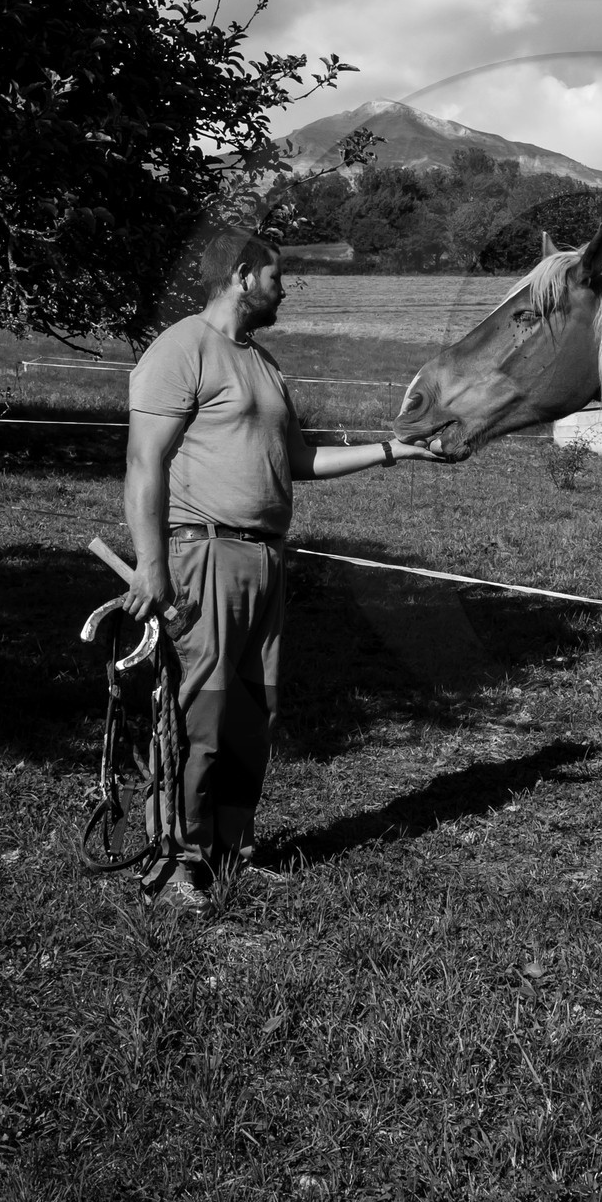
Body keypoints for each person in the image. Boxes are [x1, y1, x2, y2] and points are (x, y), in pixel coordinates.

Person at [121, 225, 443, 909]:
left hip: (265, 560)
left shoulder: (263, 365)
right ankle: (170, 861)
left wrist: (397, 450)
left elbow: (302, 462)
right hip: (200, 554)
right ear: (241, 275)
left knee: (248, 713)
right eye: (276, 276)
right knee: (196, 709)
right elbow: (143, 463)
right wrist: (153, 567)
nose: (285, 288)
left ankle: (227, 851)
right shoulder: (180, 351)